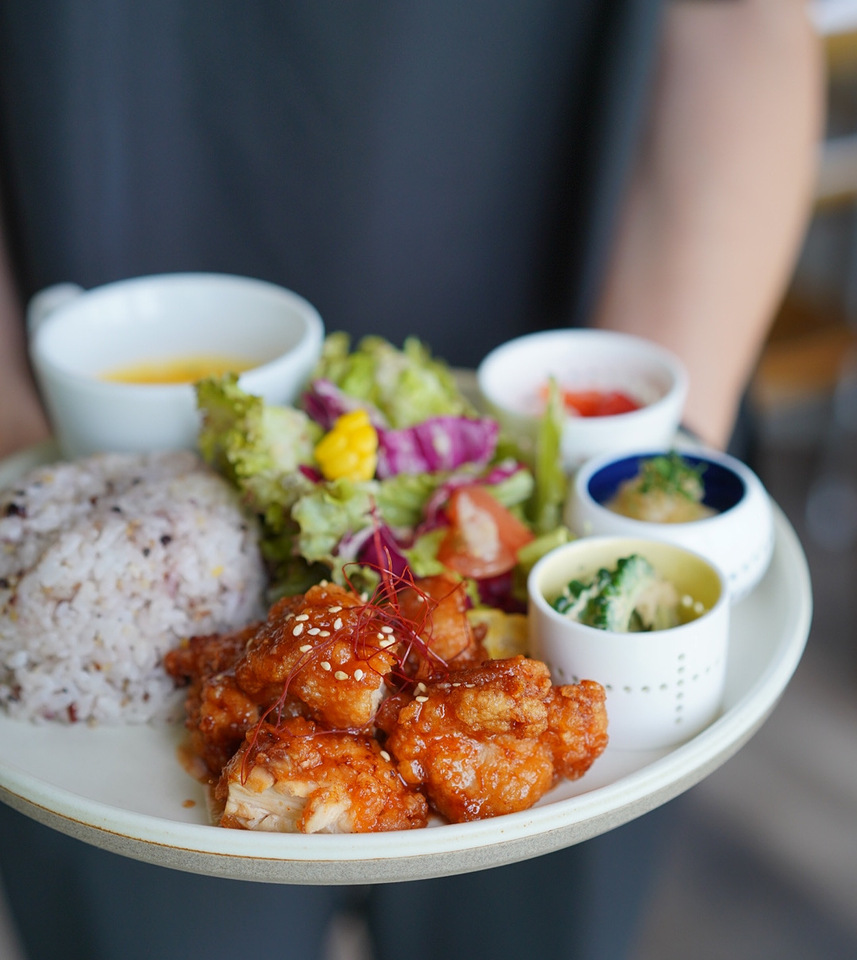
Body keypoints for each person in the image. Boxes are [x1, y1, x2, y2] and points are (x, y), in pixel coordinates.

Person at [0, 1, 822, 959]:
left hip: (577, 310)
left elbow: (739, 17)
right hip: (73, 481)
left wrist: (647, 444)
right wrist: (26, 467)